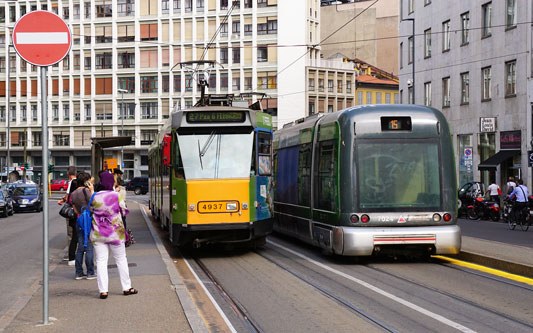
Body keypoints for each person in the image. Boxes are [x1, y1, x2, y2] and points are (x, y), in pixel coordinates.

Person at [91, 171, 137, 299]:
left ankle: (103, 290)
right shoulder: (117, 196)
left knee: (100, 261)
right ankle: (127, 287)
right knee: (121, 259)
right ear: (111, 182)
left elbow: (91, 210)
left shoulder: (94, 196)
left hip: (98, 232)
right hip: (116, 233)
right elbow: (123, 211)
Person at [70, 172, 96, 280]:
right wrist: (92, 191)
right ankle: (90, 272)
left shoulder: (73, 193)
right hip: (88, 219)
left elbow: (75, 209)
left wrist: (80, 214)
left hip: (79, 219)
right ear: (86, 181)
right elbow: (95, 202)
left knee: (80, 247)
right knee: (89, 246)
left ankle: (79, 272)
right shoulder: (86, 191)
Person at [58, 166, 77, 264]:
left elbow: (68, 196)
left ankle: (71, 253)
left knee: (70, 233)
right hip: (78, 210)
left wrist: (62, 200)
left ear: (68, 173)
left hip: (71, 210)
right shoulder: (79, 181)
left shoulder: (71, 183)